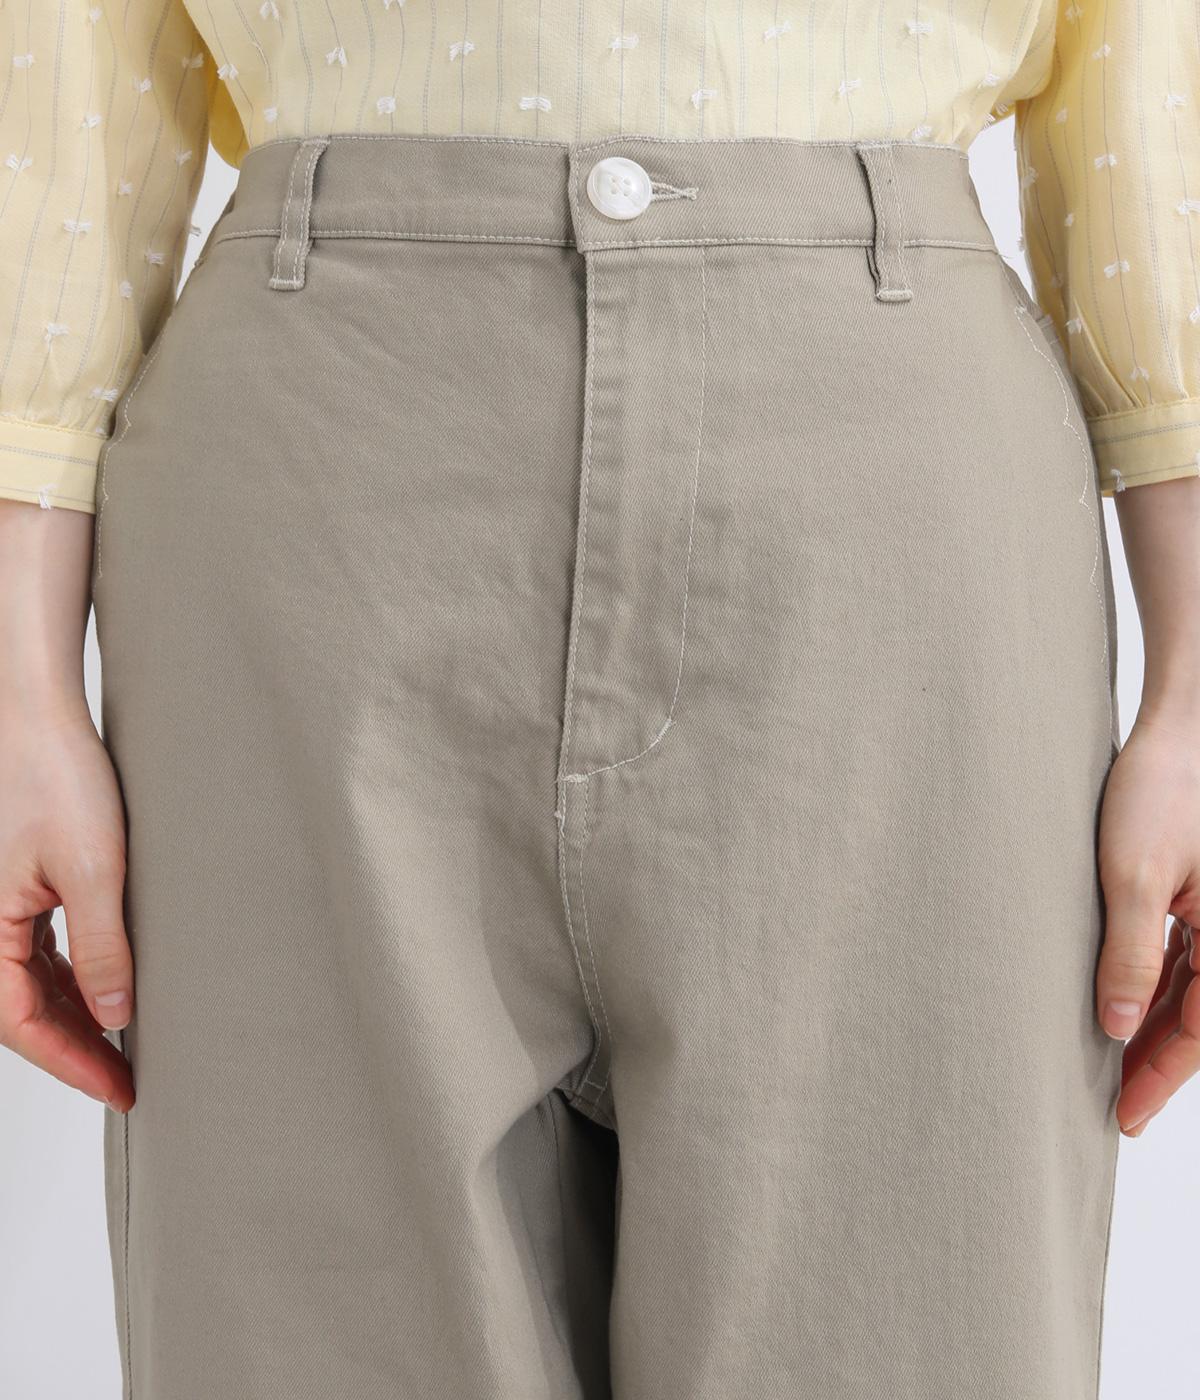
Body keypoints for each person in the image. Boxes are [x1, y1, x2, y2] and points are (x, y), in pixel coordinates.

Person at [1, 4, 1197, 1397]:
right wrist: (22, 694)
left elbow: (1150, 108)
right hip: (315, 506)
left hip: (890, 523)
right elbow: (66, 105)